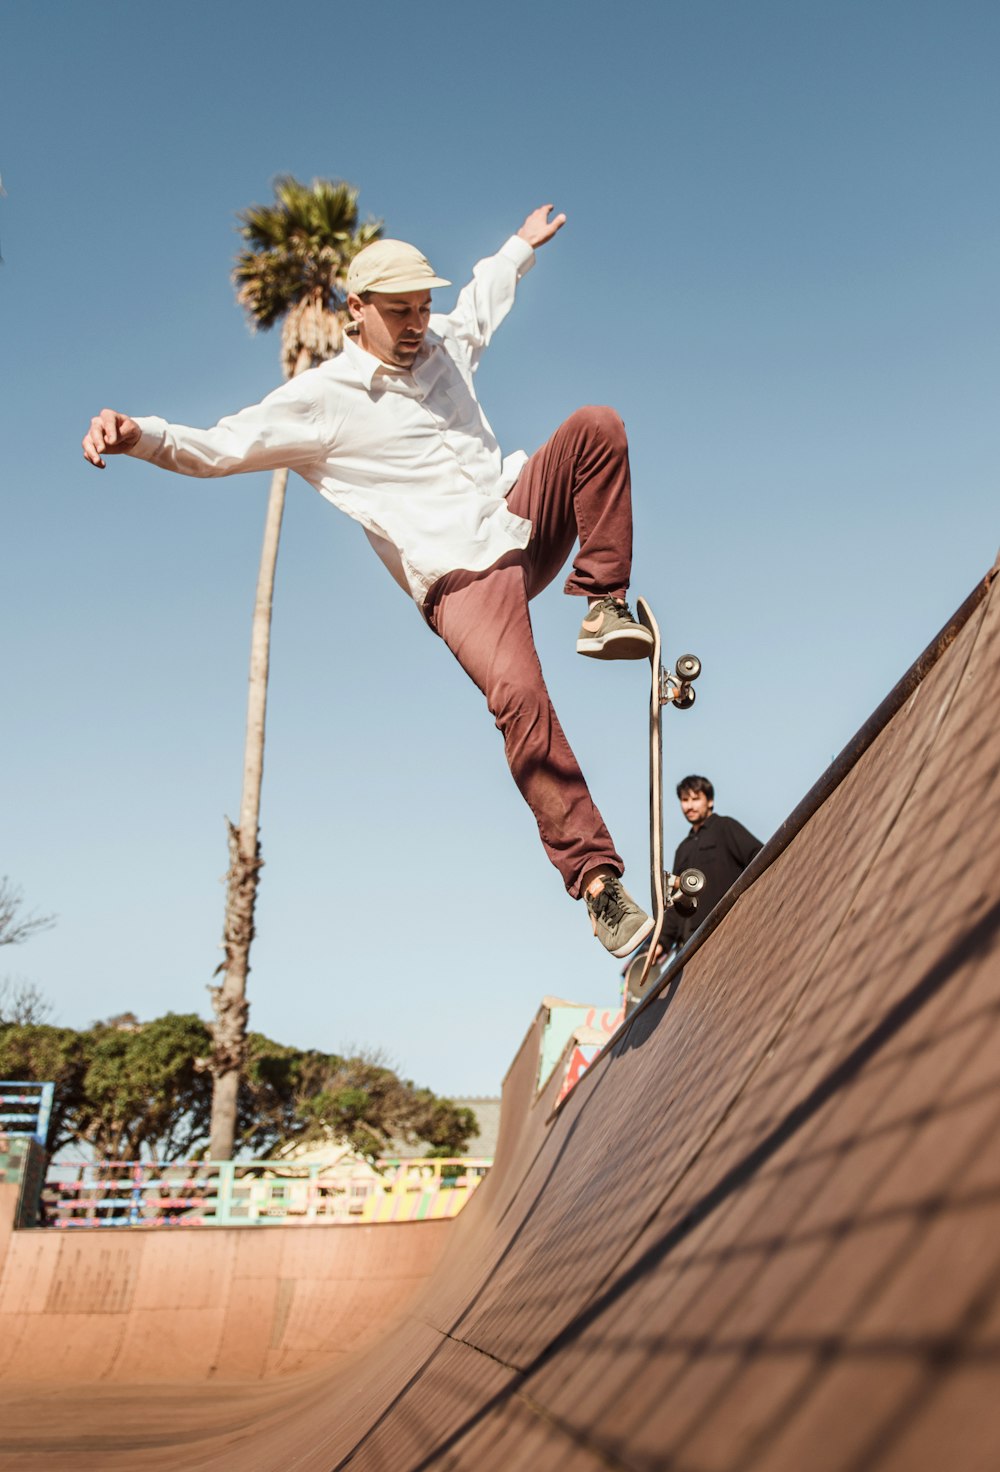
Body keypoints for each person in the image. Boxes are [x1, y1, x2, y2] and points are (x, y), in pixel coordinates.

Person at [82, 206, 657, 958]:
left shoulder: (443, 339)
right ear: (357, 310)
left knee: (596, 426)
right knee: (519, 699)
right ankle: (596, 882)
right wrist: (140, 437)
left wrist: (519, 244)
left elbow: (483, 297)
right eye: (400, 313)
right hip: (457, 578)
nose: (418, 325)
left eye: (422, 308)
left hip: (517, 519)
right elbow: (225, 445)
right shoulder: (323, 401)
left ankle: (604, 604)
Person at [658, 774, 763, 951]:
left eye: (696, 799)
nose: (689, 806)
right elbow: (676, 901)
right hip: (691, 945)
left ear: (710, 801)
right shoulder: (682, 849)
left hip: (731, 929)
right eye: (684, 800)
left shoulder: (725, 827)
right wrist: (661, 943)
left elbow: (759, 858)